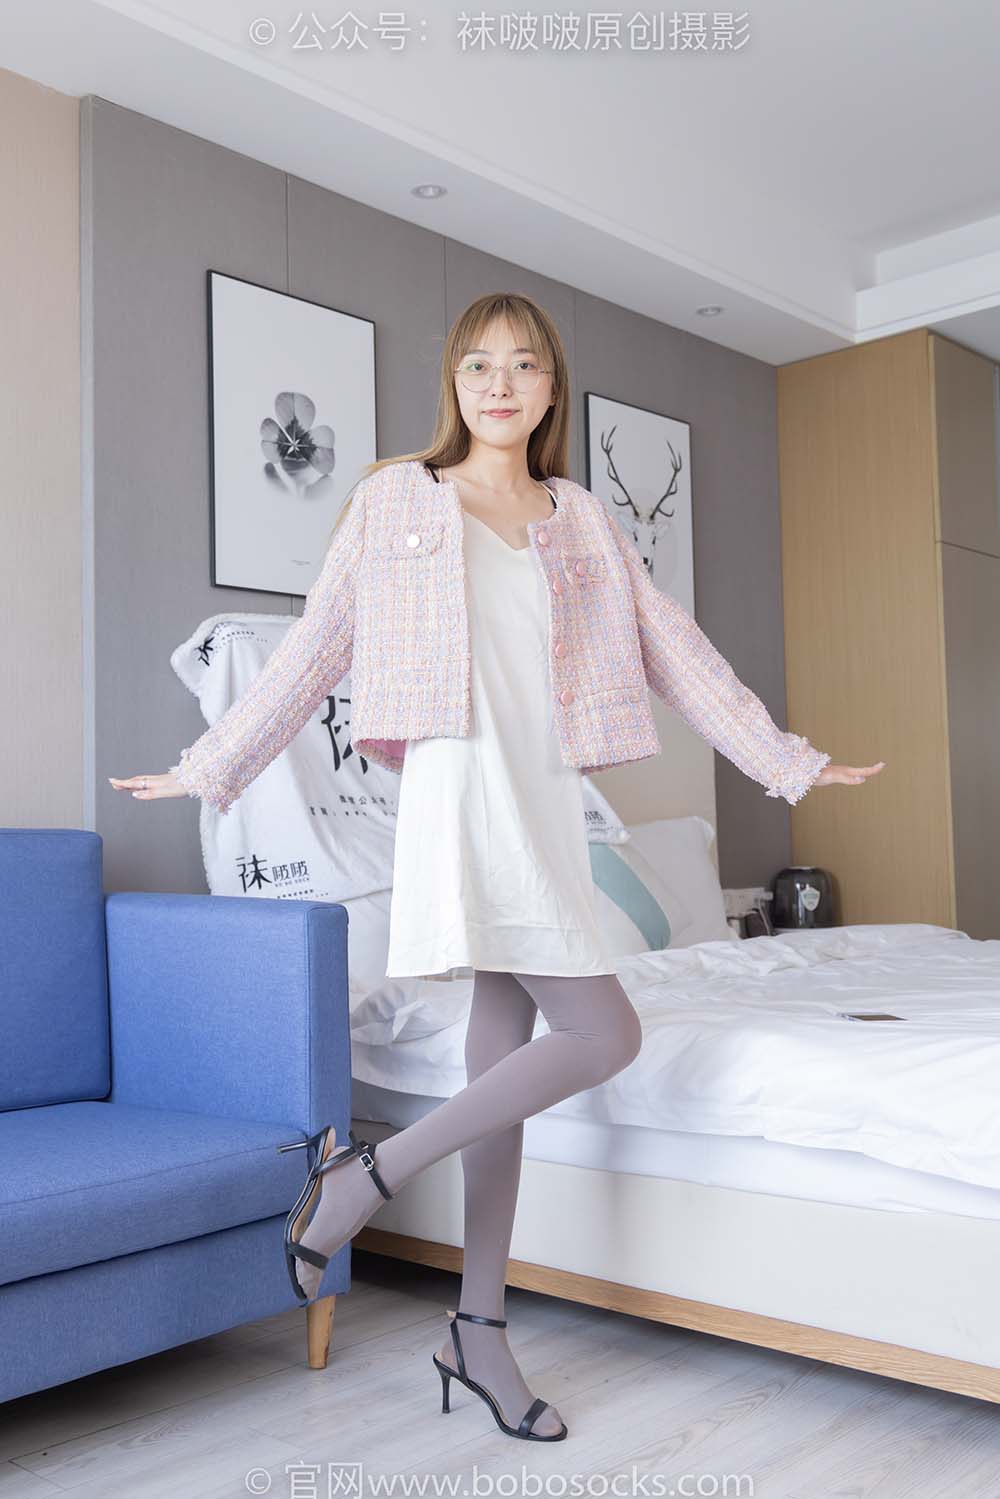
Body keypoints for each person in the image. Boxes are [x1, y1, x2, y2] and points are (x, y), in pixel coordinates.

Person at [111, 292, 885, 1441]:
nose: (499, 384)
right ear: (454, 384)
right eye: (478, 365)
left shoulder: (580, 516)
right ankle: (363, 1180)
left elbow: (671, 644)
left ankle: (476, 1326)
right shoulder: (397, 496)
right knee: (605, 1032)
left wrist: (786, 759)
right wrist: (211, 764)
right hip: (462, 783)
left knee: (503, 1055)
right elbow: (317, 642)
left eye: (522, 365)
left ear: (550, 387)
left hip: (547, 792)